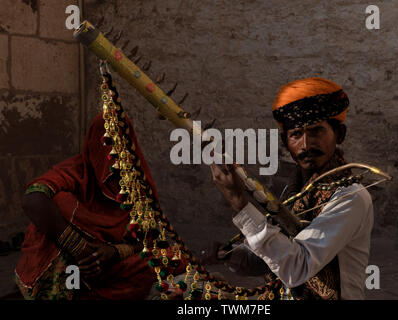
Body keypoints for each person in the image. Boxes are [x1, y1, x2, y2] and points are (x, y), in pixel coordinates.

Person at [207, 77, 374, 300]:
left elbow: (297, 268)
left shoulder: (350, 196)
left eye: (316, 131)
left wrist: (239, 202)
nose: (306, 144)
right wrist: (231, 256)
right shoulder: (297, 192)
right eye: (296, 134)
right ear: (285, 142)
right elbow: (278, 258)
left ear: (340, 135)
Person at [15, 112, 180, 300]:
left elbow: (146, 238)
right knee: (60, 203)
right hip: (72, 262)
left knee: (171, 257)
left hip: (108, 263)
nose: (113, 156)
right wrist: (79, 247)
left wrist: (112, 252)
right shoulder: (76, 169)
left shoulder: (136, 182)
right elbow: (32, 200)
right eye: (107, 145)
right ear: (94, 144)